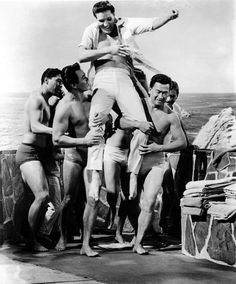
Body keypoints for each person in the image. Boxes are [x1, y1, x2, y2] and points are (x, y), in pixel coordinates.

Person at [78, 0, 179, 202]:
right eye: (101, 20)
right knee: (96, 121)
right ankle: (96, 173)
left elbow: (151, 24)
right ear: (96, 19)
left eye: (109, 18)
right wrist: (110, 50)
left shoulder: (126, 25)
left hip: (125, 77)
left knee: (144, 126)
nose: (106, 23)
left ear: (114, 15)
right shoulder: (92, 30)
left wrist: (168, 16)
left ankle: (133, 172)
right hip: (103, 78)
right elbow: (81, 56)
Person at [119, 74, 187, 254]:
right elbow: (120, 121)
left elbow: (182, 142)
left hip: (155, 161)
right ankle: (137, 232)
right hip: (134, 159)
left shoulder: (171, 116)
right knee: (130, 202)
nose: (161, 96)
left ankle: (138, 243)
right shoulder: (138, 105)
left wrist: (159, 147)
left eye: (165, 93)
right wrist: (137, 124)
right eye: (158, 92)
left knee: (148, 203)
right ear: (150, 89)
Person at [52, 63, 105, 255]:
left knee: (92, 198)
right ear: (74, 85)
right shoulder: (65, 106)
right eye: (83, 78)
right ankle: (62, 236)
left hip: (92, 157)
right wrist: (84, 140)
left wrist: (108, 120)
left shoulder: (93, 98)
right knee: (68, 199)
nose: (87, 80)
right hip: (74, 158)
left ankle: (86, 244)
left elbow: (110, 118)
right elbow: (57, 138)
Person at [15, 68, 63, 251]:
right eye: (57, 81)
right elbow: (35, 126)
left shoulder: (45, 100)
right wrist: (56, 132)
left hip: (41, 154)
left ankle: (36, 235)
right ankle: (32, 240)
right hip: (29, 153)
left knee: (48, 201)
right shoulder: (35, 99)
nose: (60, 84)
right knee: (42, 195)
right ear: (46, 80)